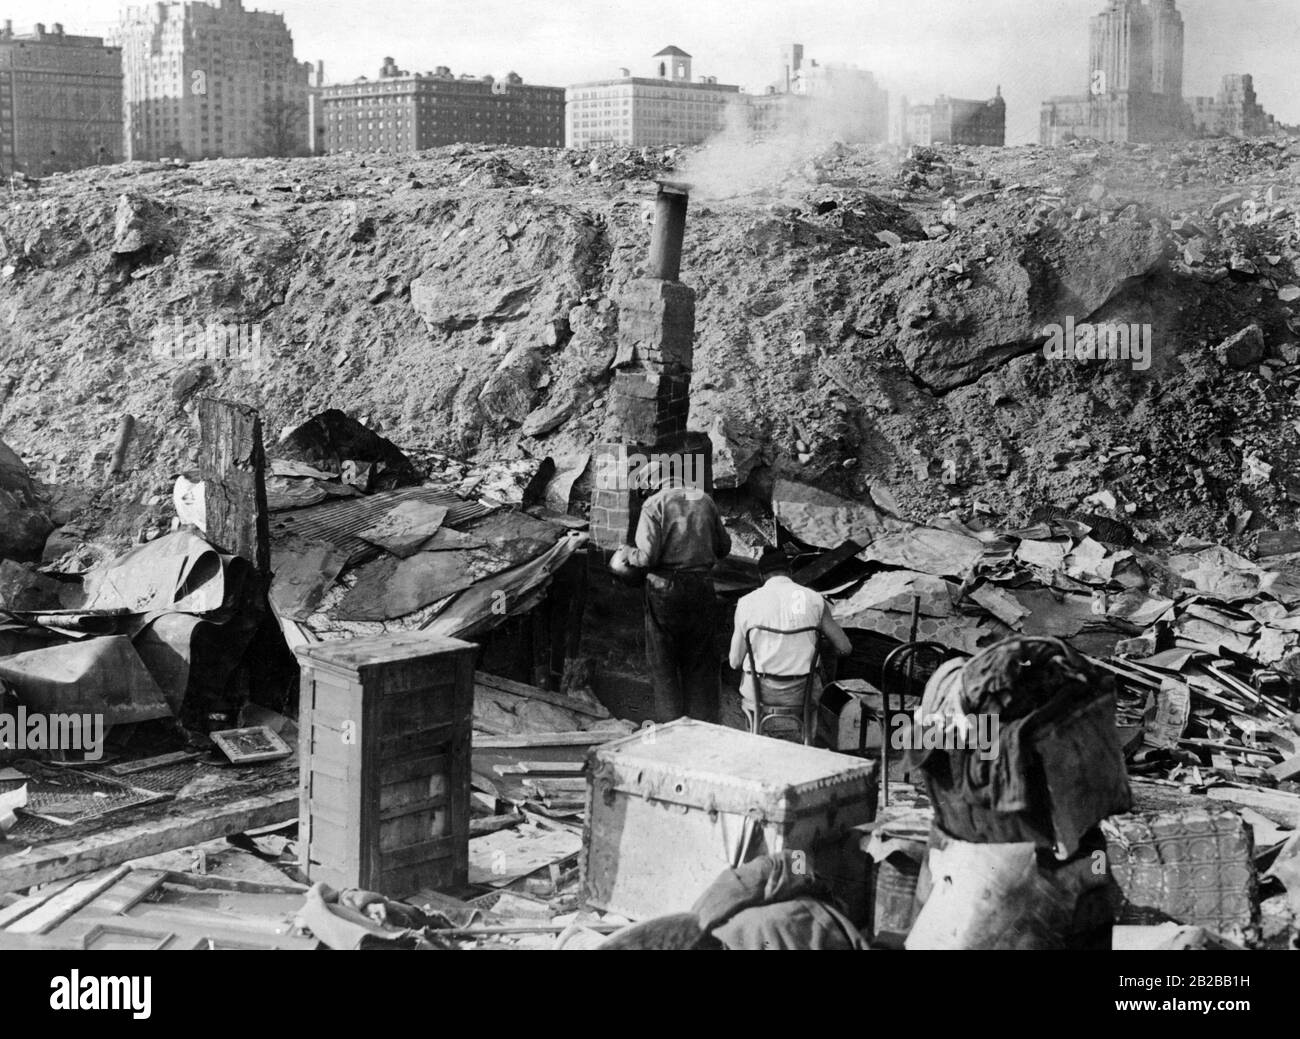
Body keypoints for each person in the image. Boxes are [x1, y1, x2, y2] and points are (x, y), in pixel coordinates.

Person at [615, 476, 730, 722]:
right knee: (699, 662)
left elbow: (645, 558)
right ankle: (700, 728)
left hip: (665, 589)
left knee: (663, 662)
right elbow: (724, 547)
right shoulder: (704, 499)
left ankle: (670, 729)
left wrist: (627, 552)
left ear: (650, 486)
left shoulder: (653, 504)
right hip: (702, 587)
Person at [729, 548, 853, 726]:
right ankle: (808, 739)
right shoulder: (814, 598)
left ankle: (756, 736)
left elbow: (734, 662)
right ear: (790, 571)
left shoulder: (746, 602)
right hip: (802, 691)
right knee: (823, 655)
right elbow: (845, 647)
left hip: (759, 691)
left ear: (761, 575)